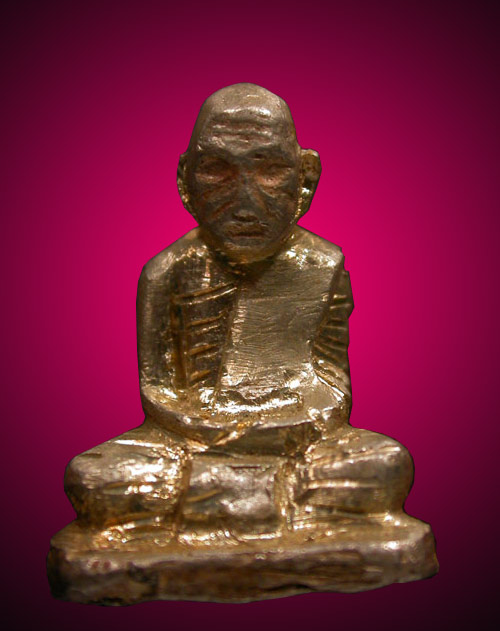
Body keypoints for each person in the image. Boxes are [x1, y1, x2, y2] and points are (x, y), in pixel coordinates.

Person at [64, 83, 413, 539]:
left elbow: (333, 382)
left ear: (305, 177)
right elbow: (158, 390)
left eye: (270, 170)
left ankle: (215, 502)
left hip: (298, 438)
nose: (245, 198)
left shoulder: (322, 265)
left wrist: (280, 422)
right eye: (217, 170)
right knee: (96, 477)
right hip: (191, 440)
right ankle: (275, 502)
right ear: (185, 180)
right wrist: (219, 429)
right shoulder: (167, 272)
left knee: (384, 465)